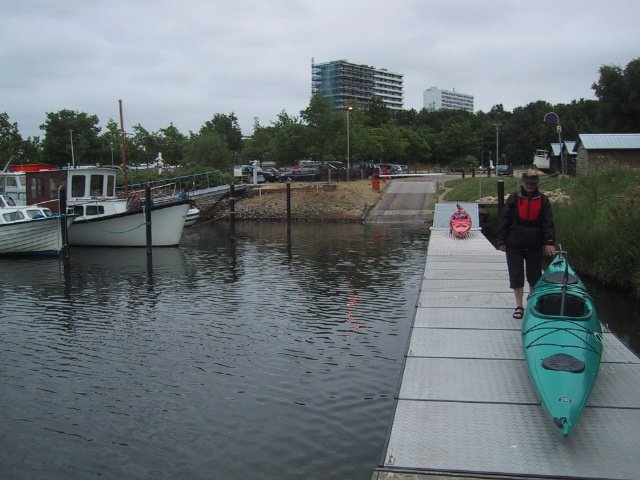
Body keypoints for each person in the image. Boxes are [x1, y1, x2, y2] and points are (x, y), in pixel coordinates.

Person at [496, 170, 556, 319]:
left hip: (534, 243)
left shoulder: (543, 200)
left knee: (534, 275)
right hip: (514, 242)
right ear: (522, 182)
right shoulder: (514, 198)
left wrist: (549, 242)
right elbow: (504, 220)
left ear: (537, 184)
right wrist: (501, 241)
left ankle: (532, 302)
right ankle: (519, 305)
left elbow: (548, 223)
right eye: (528, 183)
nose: (530, 186)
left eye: (533, 184)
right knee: (516, 274)